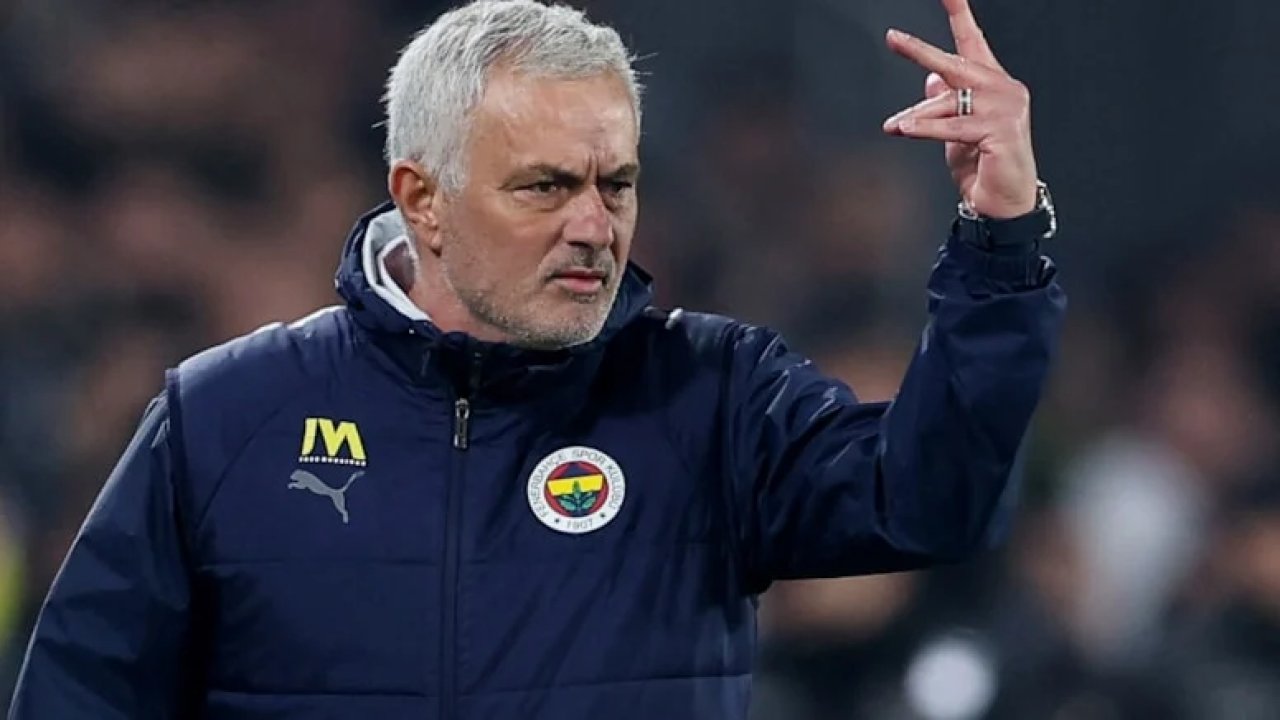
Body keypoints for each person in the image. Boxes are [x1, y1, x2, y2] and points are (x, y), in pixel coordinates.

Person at [9, 0, 1065, 717]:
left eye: (616, 184)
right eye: (545, 187)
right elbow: (78, 693)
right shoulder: (225, 418)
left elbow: (932, 501)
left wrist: (1000, 242)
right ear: (423, 199)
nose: (594, 226)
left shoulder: (710, 397)